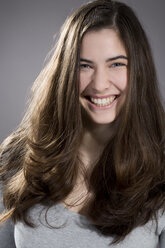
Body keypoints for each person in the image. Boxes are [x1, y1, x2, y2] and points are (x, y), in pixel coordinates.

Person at [0, 0, 165, 247]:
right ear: (65, 73)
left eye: (117, 64)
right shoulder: (17, 160)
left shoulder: (160, 174)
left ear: (139, 71)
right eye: (84, 65)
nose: (99, 84)